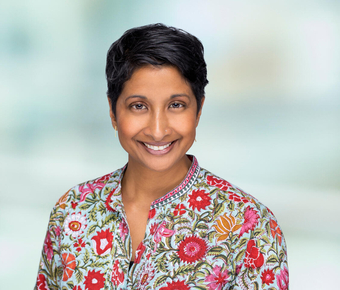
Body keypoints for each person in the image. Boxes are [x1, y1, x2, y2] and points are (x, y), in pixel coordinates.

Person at [35, 23, 289, 290]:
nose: (158, 130)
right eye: (138, 106)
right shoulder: (73, 209)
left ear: (199, 109)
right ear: (112, 111)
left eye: (176, 105)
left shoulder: (250, 226)